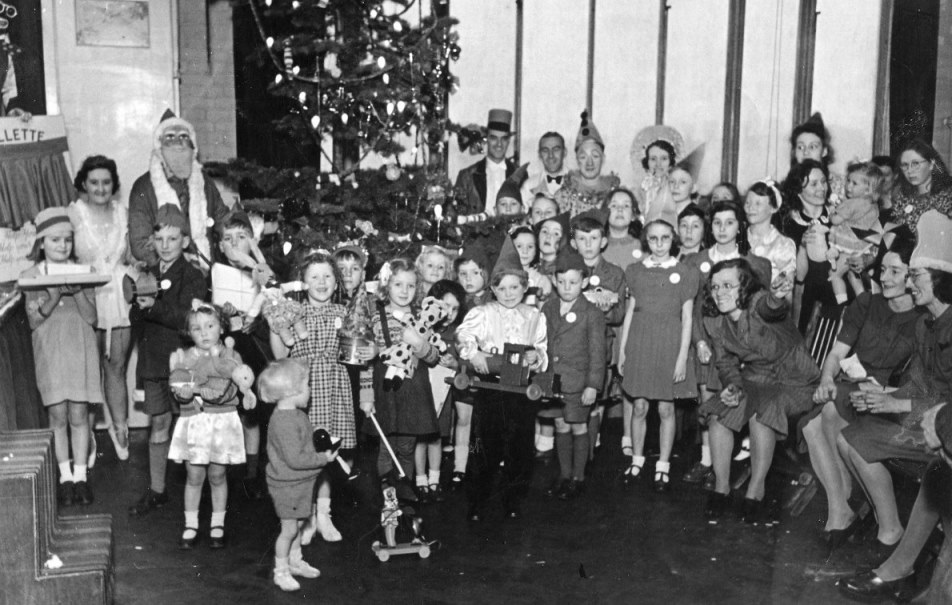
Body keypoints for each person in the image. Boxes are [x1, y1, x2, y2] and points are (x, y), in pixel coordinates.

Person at [836, 209, 952, 557]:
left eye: (915, 276)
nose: (910, 283)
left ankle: (893, 535)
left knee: (856, 439)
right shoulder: (925, 324)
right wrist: (884, 393)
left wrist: (896, 404)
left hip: (944, 429)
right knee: (850, 437)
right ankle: (890, 526)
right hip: (926, 416)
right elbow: (920, 382)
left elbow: (946, 400)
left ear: (940, 279)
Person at [800, 234, 920, 548]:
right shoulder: (867, 302)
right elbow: (837, 354)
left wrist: (887, 393)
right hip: (851, 384)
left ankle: (847, 505)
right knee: (813, 423)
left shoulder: (923, 319)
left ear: (914, 275)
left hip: (888, 394)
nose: (884, 277)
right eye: (883, 270)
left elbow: (919, 383)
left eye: (896, 271)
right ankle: (841, 508)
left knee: (823, 416)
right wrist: (826, 378)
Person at [699, 258, 816, 524]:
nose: (720, 292)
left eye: (728, 285)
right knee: (719, 416)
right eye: (715, 287)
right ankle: (722, 487)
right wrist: (733, 387)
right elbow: (726, 363)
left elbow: (771, 307)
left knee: (761, 414)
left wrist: (776, 296)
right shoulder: (715, 321)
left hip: (794, 380)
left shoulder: (758, 304)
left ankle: (756, 489)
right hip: (756, 378)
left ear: (745, 288)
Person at [681, 200, 772, 486]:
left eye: (729, 222)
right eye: (717, 223)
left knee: (741, 401)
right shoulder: (694, 262)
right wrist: (698, 342)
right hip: (708, 342)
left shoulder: (755, 264)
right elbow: (692, 309)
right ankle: (709, 462)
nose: (722, 229)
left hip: (739, 347)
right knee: (711, 403)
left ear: (739, 226)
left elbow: (759, 311)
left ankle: (739, 463)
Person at [456, 239, 548, 521]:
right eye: (502, 288)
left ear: (524, 287)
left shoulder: (534, 316)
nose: (508, 294)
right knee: (484, 446)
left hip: (519, 390)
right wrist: (475, 355)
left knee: (519, 448)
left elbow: (542, 348)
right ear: (493, 289)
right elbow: (462, 336)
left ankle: (512, 500)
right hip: (491, 389)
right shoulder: (483, 313)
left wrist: (536, 357)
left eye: (515, 287)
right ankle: (478, 500)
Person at [129, 205, 207, 517]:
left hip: (182, 364)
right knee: (158, 423)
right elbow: (138, 321)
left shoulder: (193, 276)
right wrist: (140, 307)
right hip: (153, 362)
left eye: (172, 239)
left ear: (185, 241)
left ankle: (195, 492)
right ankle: (158, 490)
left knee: (188, 425)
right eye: (159, 238)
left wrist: (153, 307)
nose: (165, 245)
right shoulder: (146, 273)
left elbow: (189, 320)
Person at [22, 207, 104, 506]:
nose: (62, 246)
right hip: (50, 350)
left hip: (79, 349)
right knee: (57, 415)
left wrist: (79, 292)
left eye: (67, 240)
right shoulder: (31, 275)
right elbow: (33, 321)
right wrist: (54, 296)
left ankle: (81, 476)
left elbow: (93, 318)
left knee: (79, 414)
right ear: (42, 242)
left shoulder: (84, 272)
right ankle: (65, 476)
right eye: (55, 240)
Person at [270, 252, 353, 544]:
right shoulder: (294, 311)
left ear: (336, 281)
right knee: (307, 455)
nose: (321, 282)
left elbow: (357, 351)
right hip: (303, 389)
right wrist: (276, 324)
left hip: (333, 387)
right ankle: (305, 517)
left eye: (328, 276)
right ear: (303, 282)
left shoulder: (344, 313)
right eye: (314, 276)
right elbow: (280, 356)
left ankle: (324, 515)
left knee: (328, 455)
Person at [618, 219, 699, 491]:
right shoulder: (635, 271)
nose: (660, 244)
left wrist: (681, 358)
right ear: (646, 241)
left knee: (666, 407)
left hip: (669, 343)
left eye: (665, 238)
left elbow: (687, 318)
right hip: (640, 341)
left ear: (673, 239)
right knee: (639, 405)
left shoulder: (684, 272)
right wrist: (623, 351)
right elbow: (630, 312)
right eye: (654, 239)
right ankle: (637, 459)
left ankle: (663, 464)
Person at [168, 302, 256, 549]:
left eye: (210, 326)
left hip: (222, 420)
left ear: (221, 328)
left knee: (217, 474)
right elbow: (179, 389)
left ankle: (217, 523)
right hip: (194, 422)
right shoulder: (183, 358)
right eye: (197, 328)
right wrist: (183, 389)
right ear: (189, 332)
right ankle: (191, 523)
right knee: (194, 475)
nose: (204, 333)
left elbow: (230, 388)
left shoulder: (231, 356)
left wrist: (200, 386)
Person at [68, 155, 132, 462]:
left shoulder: (122, 212)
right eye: (94, 182)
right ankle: (88, 434)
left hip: (118, 296)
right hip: (87, 296)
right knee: (88, 371)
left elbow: (132, 256)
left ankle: (120, 428)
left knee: (115, 368)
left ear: (113, 184)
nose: (100, 188)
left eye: (106, 182)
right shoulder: (74, 213)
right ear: (83, 183)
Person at [362, 258, 441, 501]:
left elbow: (434, 357)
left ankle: (404, 493)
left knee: (407, 447)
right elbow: (366, 364)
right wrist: (366, 397)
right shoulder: (376, 317)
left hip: (414, 390)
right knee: (386, 446)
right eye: (398, 285)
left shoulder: (424, 317)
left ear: (417, 288)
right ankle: (388, 499)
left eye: (410, 285)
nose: (404, 291)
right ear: (386, 286)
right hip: (385, 389)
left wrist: (418, 343)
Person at [260, 358, 336, 593]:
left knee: (299, 523)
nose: (310, 391)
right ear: (292, 391)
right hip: (287, 485)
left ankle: (294, 561)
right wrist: (324, 459)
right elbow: (295, 459)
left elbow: (304, 445)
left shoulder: (296, 415)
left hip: (299, 482)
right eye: (306, 386)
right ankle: (280, 571)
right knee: (289, 529)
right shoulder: (284, 422)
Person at [128, 110, 230, 268]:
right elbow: (140, 244)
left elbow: (224, 221)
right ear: (159, 148)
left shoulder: (205, 183)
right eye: (170, 139)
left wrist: (243, 231)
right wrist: (180, 266)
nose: (178, 144)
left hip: (206, 272)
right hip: (165, 278)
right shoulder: (143, 187)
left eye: (183, 138)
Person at [542, 250, 606, 499]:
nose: (567, 287)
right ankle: (564, 474)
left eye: (573, 282)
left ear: (584, 282)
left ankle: (578, 477)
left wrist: (593, 385)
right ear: (555, 281)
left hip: (578, 382)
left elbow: (598, 354)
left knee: (578, 426)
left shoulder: (592, 313)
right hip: (553, 380)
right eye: (561, 282)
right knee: (560, 424)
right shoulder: (548, 307)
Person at [569, 211, 625, 457]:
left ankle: (589, 452)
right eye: (582, 239)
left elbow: (620, 314)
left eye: (593, 238)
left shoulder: (614, 273)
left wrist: (607, 311)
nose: (588, 244)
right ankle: (574, 452)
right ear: (574, 243)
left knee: (596, 400)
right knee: (573, 397)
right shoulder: (568, 272)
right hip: (572, 347)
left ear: (603, 241)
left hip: (601, 345)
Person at [415, 279, 466, 503]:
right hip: (422, 391)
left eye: (455, 309)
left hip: (443, 393)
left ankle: (434, 479)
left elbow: (463, 362)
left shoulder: (457, 333)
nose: (450, 313)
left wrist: (454, 364)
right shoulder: (424, 327)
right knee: (420, 436)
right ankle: (420, 478)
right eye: (446, 307)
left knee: (436, 436)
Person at [554, 111, 620, 217]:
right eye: (583, 157)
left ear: (603, 159)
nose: (590, 163)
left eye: (595, 156)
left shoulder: (615, 193)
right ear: (577, 160)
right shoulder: (564, 196)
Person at [454, 109, 517, 216]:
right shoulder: (467, 176)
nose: (499, 144)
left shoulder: (519, 174)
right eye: (494, 138)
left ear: (509, 141)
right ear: (486, 138)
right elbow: (458, 215)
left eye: (503, 139)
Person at [887, 138, 952, 233]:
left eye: (915, 164)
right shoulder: (902, 196)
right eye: (905, 165)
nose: (909, 170)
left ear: (931, 164)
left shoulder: (947, 199)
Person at [745, 179, 797, 283]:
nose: (750, 208)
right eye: (747, 202)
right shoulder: (737, 238)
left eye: (758, 204)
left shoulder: (783, 244)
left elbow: (786, 287)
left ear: (773, 208)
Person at [631, 124, 684, 222]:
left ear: (671, 161)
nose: (658, 164)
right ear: (647, 162)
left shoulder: (677, 188)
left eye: (664, 158)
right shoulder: (640, 190)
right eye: (653, 159)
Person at [602, 187, 644, 270]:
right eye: (614, 205)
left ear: (633, 215)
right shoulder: (597, 247)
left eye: (626, 206)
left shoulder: (644, 247)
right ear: (605, 213)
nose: (620, 209)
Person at [522, 131, 568, 204]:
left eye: (556, 149)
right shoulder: (529, 185)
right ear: (539, 155)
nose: (551, 155)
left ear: (565, 152)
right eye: (545, 150)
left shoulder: (577, 182)